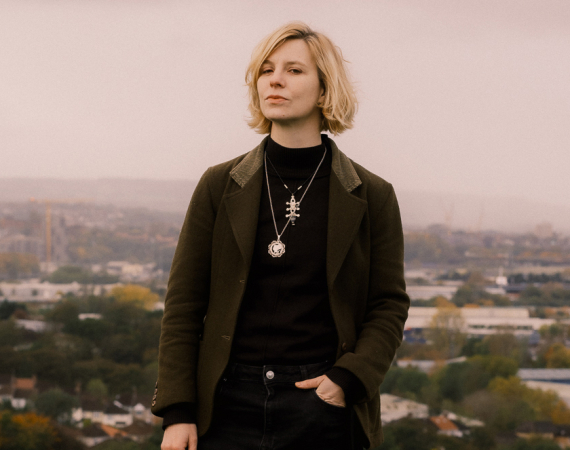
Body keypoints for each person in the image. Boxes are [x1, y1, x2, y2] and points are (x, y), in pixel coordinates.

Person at [152, 21, 409, 450]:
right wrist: (177, 411)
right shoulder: (219, 185)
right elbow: (183, 304)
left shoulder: (372, 195)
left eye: (294, 70)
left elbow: (388, 304)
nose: (275, 79)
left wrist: (348, 379)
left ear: (325, 90)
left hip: (323, 409)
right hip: (226, 406)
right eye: (267, 69)